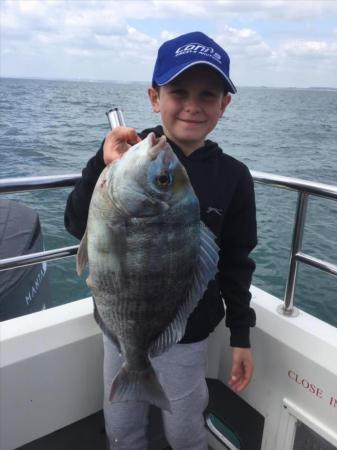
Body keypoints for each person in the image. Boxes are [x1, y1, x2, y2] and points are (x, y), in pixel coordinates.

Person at [64, 31, 257, 450]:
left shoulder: (234, 177)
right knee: (121, 423)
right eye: (178, 91)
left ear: (224, 104)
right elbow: (77, 223)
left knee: (185, 427)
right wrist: (100, 163)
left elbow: (236, 262)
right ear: (155, 97)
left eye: (208, 94)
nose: (192, 105)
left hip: (187, 336)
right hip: (120, 327)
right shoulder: (126, 158)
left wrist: (240, 334)